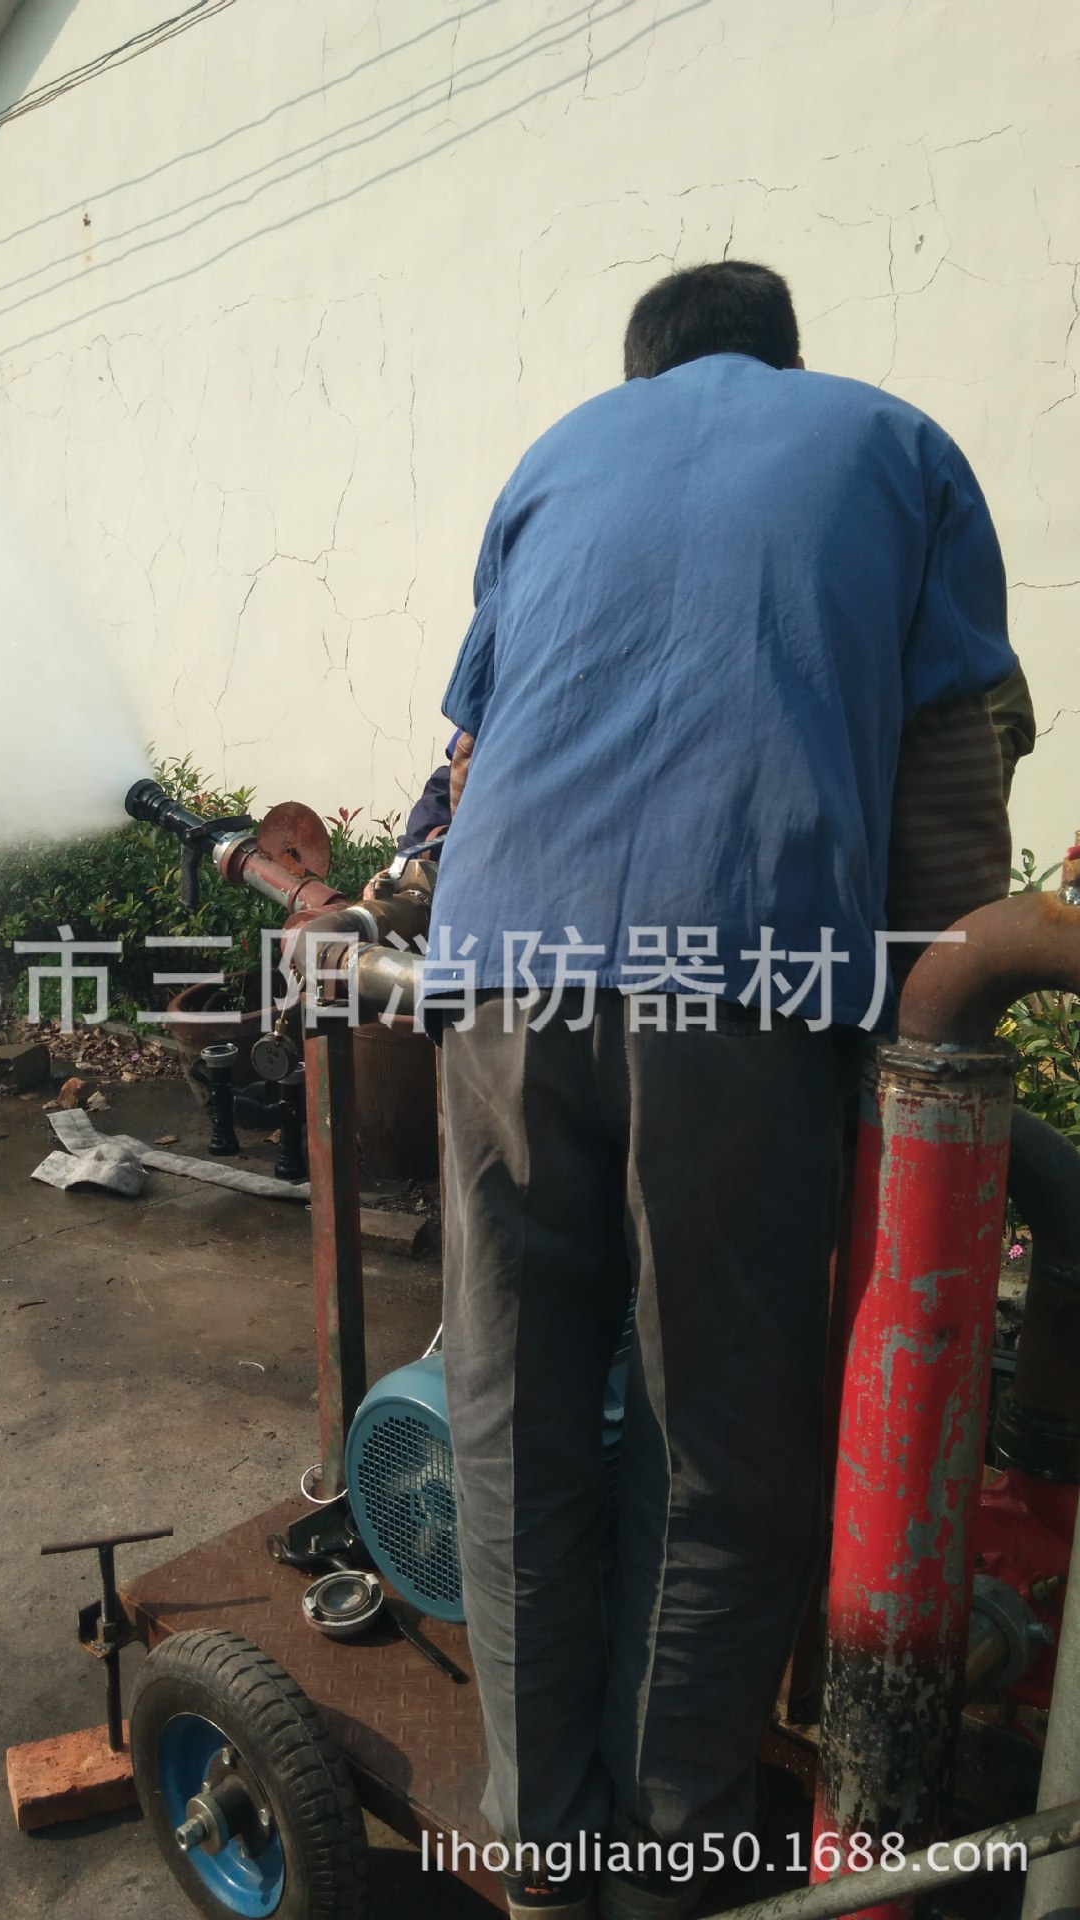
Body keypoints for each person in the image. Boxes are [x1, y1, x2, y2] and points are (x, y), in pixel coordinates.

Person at [427, 261, 1028, 1920]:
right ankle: (671, 1856)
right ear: (785, 357)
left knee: (514, 1408)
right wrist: (927, 1055)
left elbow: (473, 753)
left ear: (642, 374)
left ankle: (546, 1848)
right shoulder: (894, 449)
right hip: (744, 973)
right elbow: (951, 790)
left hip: (496, 972)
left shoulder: (555, 456)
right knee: (715, 1432)